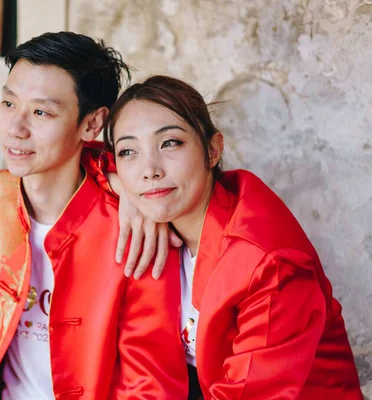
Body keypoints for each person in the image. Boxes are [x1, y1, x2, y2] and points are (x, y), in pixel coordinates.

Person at [0, 33, 188, 400]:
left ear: (92, 124)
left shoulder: (136, 226)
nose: (16, 128)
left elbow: (149, 380)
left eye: (41, 112)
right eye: (8, 103)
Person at [104, 75, 363, 400]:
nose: (149, 169)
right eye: (128, 151)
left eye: (170, 143)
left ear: (213, 150)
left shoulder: (269, 262)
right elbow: (61, 154)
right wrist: (114, 183)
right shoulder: (159, 222)